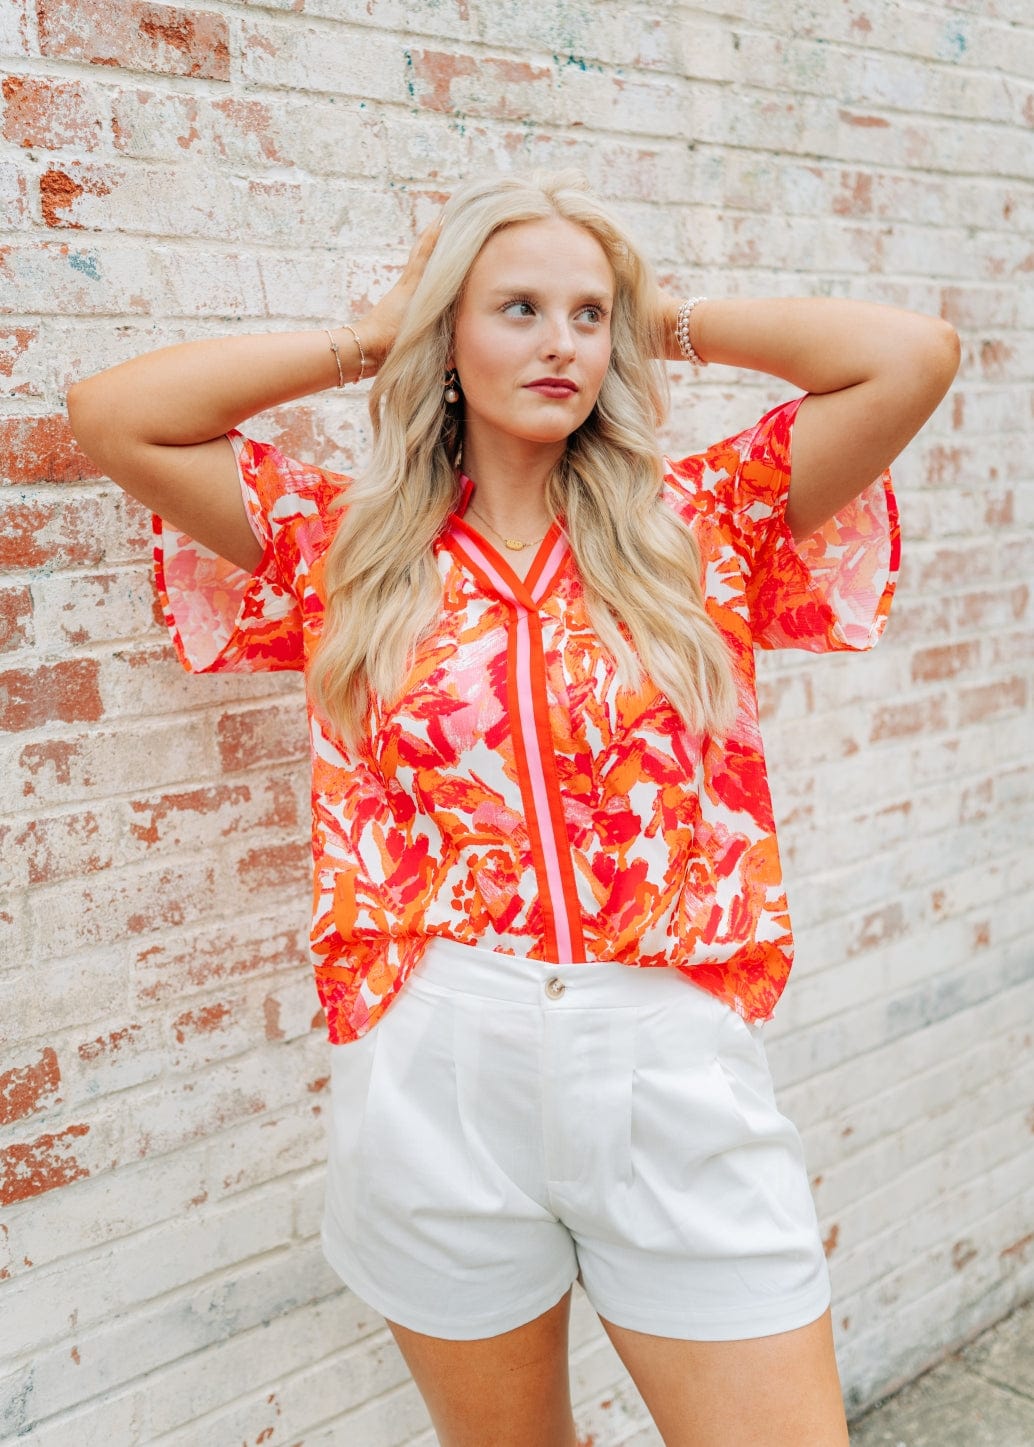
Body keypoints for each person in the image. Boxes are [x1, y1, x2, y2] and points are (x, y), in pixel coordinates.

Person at [66, 169, 960, 1447]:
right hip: (438, 1050)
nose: (562, 343)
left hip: (663, 1053)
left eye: (586, 315)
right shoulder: (350, 543)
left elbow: (907, 357)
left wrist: (658, 320)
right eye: (518, 308)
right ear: (448, 335)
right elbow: (115, 415)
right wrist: (377, 337)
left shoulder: (694, 524)